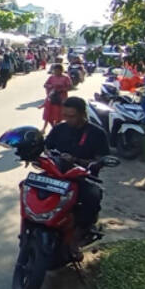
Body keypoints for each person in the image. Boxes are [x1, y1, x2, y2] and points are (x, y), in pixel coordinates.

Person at [45, 97, 110, 256]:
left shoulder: (97, 133)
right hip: (56, 175)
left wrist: (77, 161)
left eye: (71, 116)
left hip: (83, 178)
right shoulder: (59, 128)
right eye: (65, 115)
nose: (67, 119)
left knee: (93, 197)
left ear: (82, 114)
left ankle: (78, 235)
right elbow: (47, 146)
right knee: (31, 187)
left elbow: (100, 159)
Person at [42, 64, 72, 134]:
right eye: (55, 70)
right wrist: (51, 86)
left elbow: (70, 87)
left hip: (61, 99)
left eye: (58, 70)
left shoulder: (65, 78)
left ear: (61, 70)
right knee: (48, 115)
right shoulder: (51, 78)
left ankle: (57, 128)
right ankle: (52, 127)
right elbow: (45, 85)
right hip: (51, 98)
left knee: (59, 115)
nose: (56, 72)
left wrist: (62, 89)